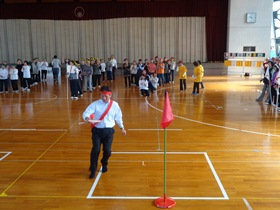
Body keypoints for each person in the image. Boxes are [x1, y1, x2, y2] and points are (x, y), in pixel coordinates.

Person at [82, 86, 126, 179]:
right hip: (97, 131)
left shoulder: (115, 105)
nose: (104, 98)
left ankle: (104, 163)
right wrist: (87, 118)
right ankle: (93, 169)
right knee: (96, 150)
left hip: (109, 131)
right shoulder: (95, 104)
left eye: (106, 96)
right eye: (102, 96)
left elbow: (118, 117)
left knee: (107, 151)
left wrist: (122, 127)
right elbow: (86, 112)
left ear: (110, 95)